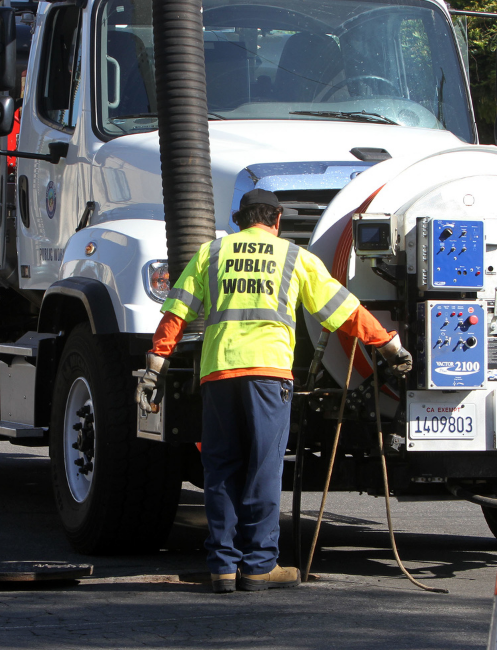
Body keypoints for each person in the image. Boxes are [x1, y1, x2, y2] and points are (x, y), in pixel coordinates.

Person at [137, 189, 411, 594]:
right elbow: (345, 312)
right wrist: (388, 345)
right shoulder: (293, 257)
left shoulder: (211, 254)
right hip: (268, 376)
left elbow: (175, 313)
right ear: (277, 219)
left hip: (218, 374)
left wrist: (155, 366)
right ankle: (260, 567)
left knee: (221, 470)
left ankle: (223, 568)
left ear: (240, 219)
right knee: (263, 469)